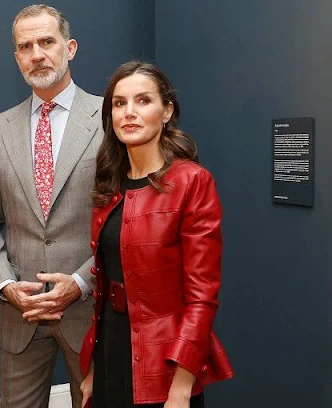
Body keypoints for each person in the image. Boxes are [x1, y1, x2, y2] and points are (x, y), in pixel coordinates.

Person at [0, 5, 103, 408]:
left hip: (90, 307)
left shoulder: (109, 119)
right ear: (16, 58)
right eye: (25, 46)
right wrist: (8, 286)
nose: (37, 54)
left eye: (47, 42)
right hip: (21, 314)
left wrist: (80, 283)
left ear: (70, 47)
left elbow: (124, 220)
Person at [78, 61, 234, 408]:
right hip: (110, 353)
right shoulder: (109, 184)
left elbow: (202, 297)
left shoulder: (192, 181)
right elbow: (105, 282)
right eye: (119, 103)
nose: (129, 113)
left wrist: (181, 385)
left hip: (164, 363)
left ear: (167, 111)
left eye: (143, 101)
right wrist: (92, 369)